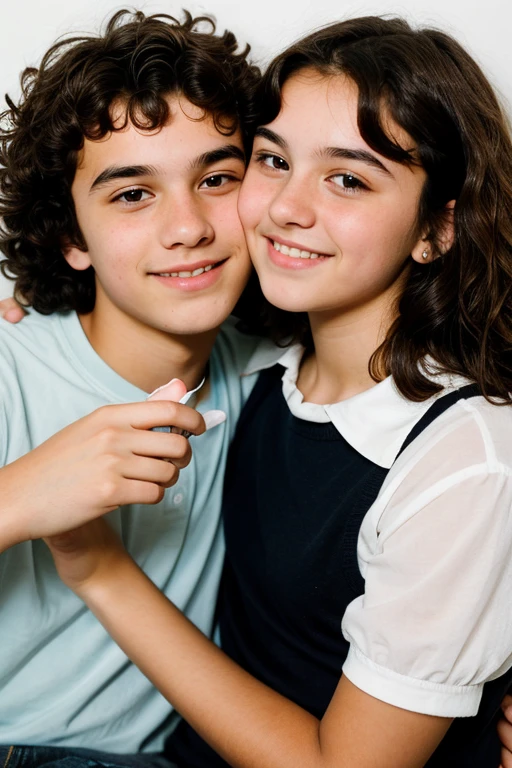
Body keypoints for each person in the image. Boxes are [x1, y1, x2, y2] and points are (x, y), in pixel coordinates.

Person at [38, 14, 512, 768]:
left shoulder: (459, 450)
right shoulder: (258, 363)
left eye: (348, 179)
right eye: (270, 161)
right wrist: (33, 312)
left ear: (437, 228)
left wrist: (101, 571)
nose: (288, 208)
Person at [0, 9, 282, 767]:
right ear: (70, 236)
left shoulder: (278, 371)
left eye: (217, 179)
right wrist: (20, 495)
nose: (187, 226)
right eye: (132, 195)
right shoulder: (9, 364)